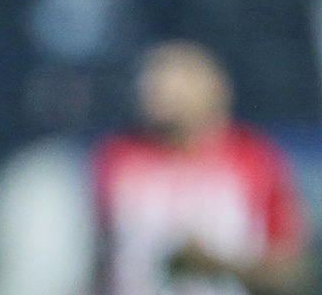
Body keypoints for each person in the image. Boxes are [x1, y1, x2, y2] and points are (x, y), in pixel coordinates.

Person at [91, 40, 311, 295]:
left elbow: (291, 271)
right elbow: (100, 255)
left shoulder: (253, 157)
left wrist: (214, 264)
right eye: (150, 79)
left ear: (213, 89)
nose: (154, 88)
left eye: (174, 79)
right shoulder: (118, 156)